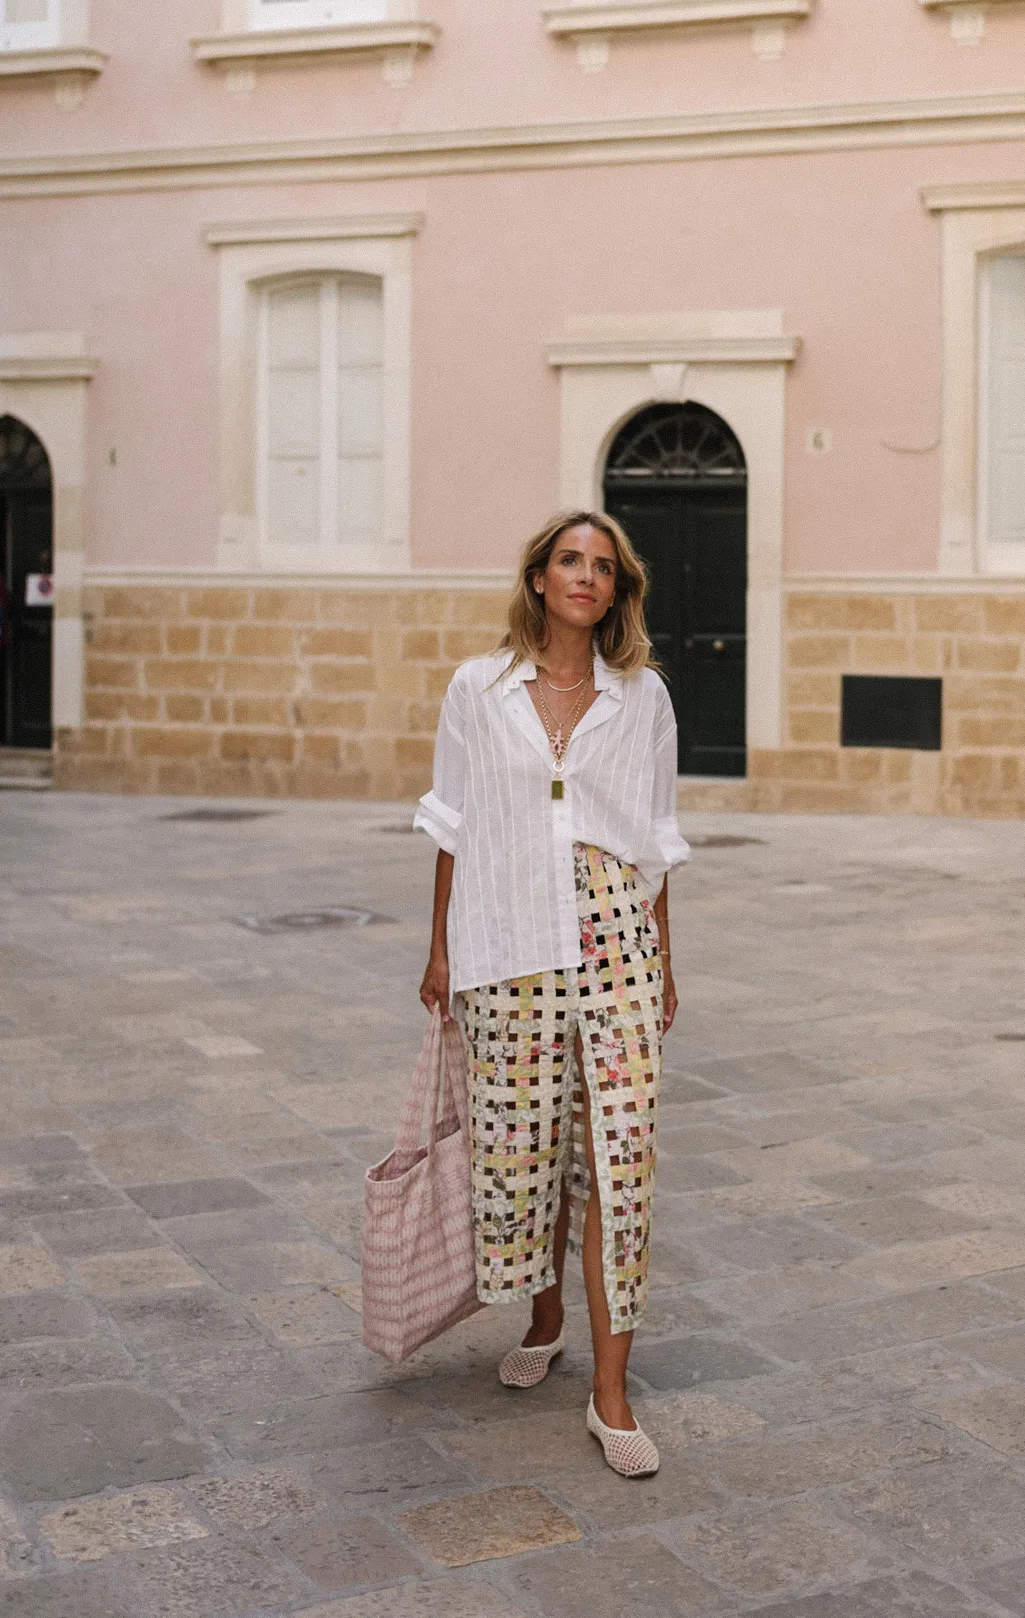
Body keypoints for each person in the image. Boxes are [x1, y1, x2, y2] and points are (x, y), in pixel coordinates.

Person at [416, 509, 687, 1478]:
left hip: (614, 935)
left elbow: (657, 836)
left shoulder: (641, 695)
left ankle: (610, 1392)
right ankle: (543, 1312)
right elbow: (452, 822)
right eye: (569, 561)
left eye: (602, 567)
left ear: (616, 590)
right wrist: (440, 949)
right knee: (525, 1150)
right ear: (538, 578)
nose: (585, 577)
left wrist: (665, 956)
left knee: (619, 1156)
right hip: (507, 939)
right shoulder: (476, 690)